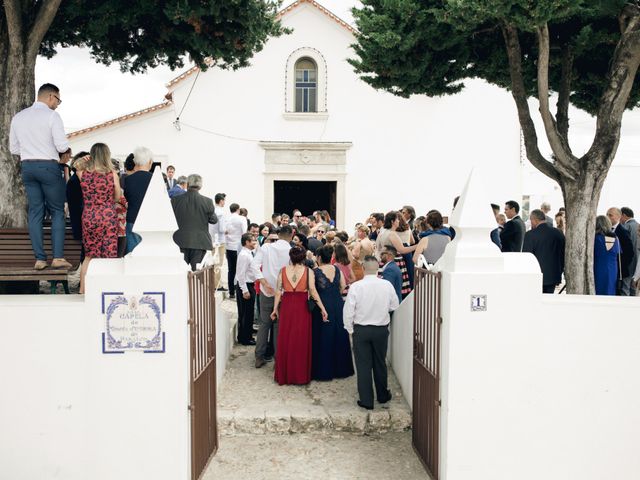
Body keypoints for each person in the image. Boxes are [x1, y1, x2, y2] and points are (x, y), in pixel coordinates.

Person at [9, 83, 73, 270]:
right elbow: (61, 146)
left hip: (27, 166)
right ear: (51, 96)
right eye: (58, 100)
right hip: (48, 166)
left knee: (35, 212)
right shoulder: (52, 116)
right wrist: (65, 151)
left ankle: (40, 258)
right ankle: (58, 257)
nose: (58, 104)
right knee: (57, 211)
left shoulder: (18, 117)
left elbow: (14, 149)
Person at [344, 256, 399, 410]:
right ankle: (382, 395)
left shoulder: (356, 286)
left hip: (361, 329)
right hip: (381, 329)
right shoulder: (386, 285)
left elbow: (348, 310)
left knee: (363, 365)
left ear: (363, 268)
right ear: (377, 269)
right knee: (380, 363)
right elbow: (394, 304)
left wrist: (350, 329)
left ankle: (367, 400)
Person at [271, 246, 327, 385]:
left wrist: (275, 309)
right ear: (303, 258)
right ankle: (299, 376)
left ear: (290, 257)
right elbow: (313, 291)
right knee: (301, 340)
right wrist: (322, 308)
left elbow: (278, 291)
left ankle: (286, 375)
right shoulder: (308, 272)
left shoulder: (283, 271)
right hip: (302, 307)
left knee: (286, 339)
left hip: (287, 306)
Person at [76, 143, 122, 294]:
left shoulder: (83, 173)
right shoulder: (112, 175)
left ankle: (83, 290)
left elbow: (75, 166)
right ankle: (106, 289)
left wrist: (83, 159)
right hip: (107, 217)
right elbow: (117, 198)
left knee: (89, 256)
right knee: (108, 255)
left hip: (89, 216)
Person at [251, 225, 294, 368]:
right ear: (291, 235)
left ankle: (259, 356)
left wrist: (263, 281)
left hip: (267, 290)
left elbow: (254, 265)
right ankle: (278, 359)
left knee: (264, 324)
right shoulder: (291, 251)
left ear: (278, 234)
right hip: (284, 293)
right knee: (278, 326)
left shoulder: (266, 248)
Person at [312, 245, 354, 381]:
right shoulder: (337, 269)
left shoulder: (315, 271)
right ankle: (341, 368)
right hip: (337, 303)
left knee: (323, 335)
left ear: (318, 257)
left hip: (322, 305)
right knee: (339, 334)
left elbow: (312, 291)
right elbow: (343, 285)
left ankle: (324, 370)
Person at [171, 174, 218, 271]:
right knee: (196, 274)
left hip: (179, 241)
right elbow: (214, 220)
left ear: (187, 184)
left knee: (180, 272)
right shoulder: (207, 201)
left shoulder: (175, 200)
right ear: (200, 186)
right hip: (199, 242)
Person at [376, 211, 417, 299]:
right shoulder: (392, 234)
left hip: (384, 262)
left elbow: (378, 248)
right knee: (396, 288)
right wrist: (417, 246)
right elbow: (402, 250)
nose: (399, 221)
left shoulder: (382, 232)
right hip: (395, 261)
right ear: (392, 221)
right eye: (397, 219)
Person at [523, 209, 565, 293]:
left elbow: (527, 257)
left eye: (531, 220)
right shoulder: (558, 232)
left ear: (534, 220)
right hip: (553, 274)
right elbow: (563, 253)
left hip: (536, 275)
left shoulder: (530, 235)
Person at [123, 146, 153, 253]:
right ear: (150, 162)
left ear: (135, 161)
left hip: (132, 218)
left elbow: (125, 199)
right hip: (150, 220)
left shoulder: (127, 180)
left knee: (133, 252)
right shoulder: (155, 179)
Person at [235, 233, 258, 346]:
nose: (255, 242)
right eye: (253, 240)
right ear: (247, 242)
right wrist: (244, 290)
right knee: (246, 313)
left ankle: (246, 334)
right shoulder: (244, 255)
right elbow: (240, 274)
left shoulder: (249, 253)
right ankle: (245, 338)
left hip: (250, 284)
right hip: (246, 285)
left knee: (248, 313)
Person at [607, 207, 635, 296]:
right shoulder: (605, 230)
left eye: (610, 215)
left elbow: (630, 252)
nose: (607, 217)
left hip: (619, 270)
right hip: (608, 269)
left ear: (619, 217)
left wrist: (620, 265)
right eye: (607, 214)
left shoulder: (623, 232)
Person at [225, 203, 247, 298]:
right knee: (241, 269)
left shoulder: (227, 218)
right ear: (238, 210)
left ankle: (231, 292)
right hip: (239, 247)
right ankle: (240, 290)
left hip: (229, 246)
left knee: (231, 270)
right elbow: (244, 232)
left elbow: (224, 231)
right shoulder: (242, 218)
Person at [594, 215, 620, 296]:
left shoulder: (595, 239)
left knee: (598, 290)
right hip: (612, 269)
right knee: (610, 289)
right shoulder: (615, 239)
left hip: (597, 267)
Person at [621, 207, 639, 296]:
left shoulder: (626, 227)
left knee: (625, 286)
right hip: (638, 261)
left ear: (623, 215)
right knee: (634, 287)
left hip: (629, 261)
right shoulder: (638, 225)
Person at [211, 193, 227, 290]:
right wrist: (227, 230)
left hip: (212, 238)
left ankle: (213, 283)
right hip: (220, 240)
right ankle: (218, 284)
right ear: (221, 201)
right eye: (224, 200)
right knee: (219, 263)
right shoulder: (221, 212)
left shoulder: (212, 210)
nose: (224, 202)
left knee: (213, 262)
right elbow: (222, 228)